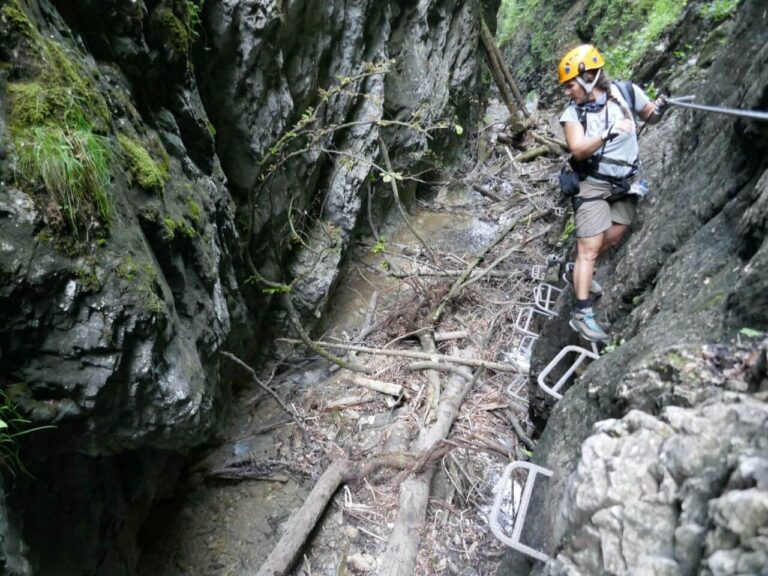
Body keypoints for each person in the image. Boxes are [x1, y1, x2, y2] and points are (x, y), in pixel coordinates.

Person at [558, 44, 667, 341]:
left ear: (588, 77)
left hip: (626, 181)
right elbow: (578, 150)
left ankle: (575, 269)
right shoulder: (572, 113)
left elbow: (651, 116)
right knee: (589, 249)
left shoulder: (627, 92)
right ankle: (582, 313)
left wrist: (660, 107)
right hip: (591, 182)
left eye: (570, 86)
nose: (568, 92)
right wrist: (607, 133)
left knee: (616, 234)